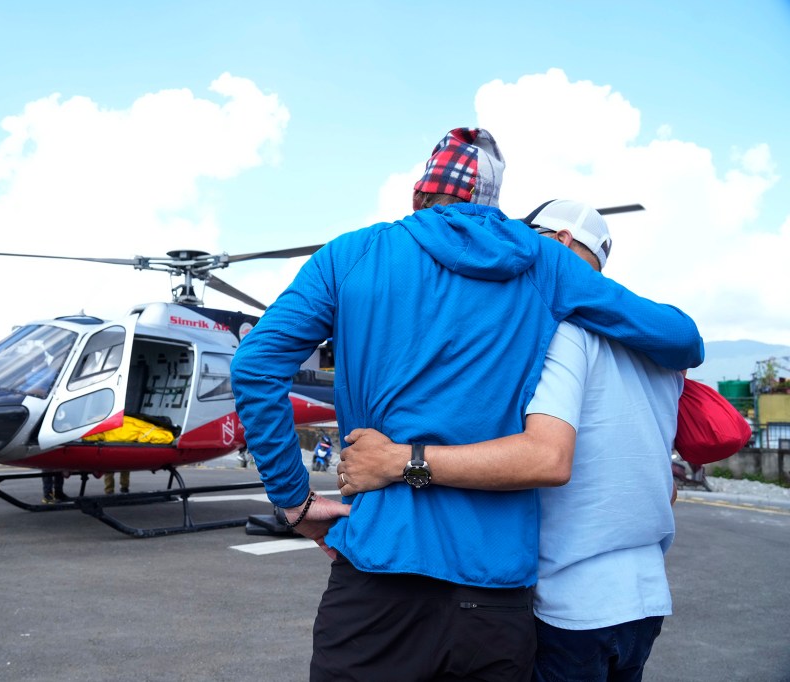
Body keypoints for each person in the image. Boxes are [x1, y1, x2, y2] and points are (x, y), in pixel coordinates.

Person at [230, 127, 704, 681]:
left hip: (377, 575)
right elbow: (682, 340)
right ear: (492, 207)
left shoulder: (350, 256)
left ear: (418, 194)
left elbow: (255, 366)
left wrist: (296, 502)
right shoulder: (543, 264)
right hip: (496, 596)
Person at [337, 200, 682, 681]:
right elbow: (665, 483)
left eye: (527, 236)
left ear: (559, 243)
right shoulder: (662, 354)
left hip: (573, 601)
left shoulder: (562, 331)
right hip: (644, 597)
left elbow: (546, 456)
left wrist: (400, 460)